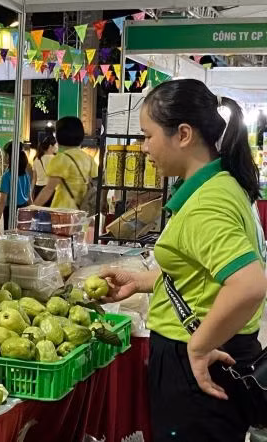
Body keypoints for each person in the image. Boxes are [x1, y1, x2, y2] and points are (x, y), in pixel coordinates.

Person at [101, 79, 267, 442]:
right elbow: (205, 271)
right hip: (221, 350)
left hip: (198, 362)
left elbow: (250, 284)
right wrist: (142, 281)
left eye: (148, 135)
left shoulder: (207, 203)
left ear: (184, 134)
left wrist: (199, 346)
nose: (144, 148)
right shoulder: (224, 184)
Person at [34, 117, 97, 209]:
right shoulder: (89, 159)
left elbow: (49, 189)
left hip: (63, 211)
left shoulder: (61, 159)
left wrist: (33, 207)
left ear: (60, 136)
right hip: (82, 211)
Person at [0, 142, 32, 230]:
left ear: (10, 156)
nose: (4, 157)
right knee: (22, 235)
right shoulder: (25, 174)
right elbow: (29, 197)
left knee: (11, 236)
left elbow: (2, 201)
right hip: (24, 208)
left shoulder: (7, 175)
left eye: (5, 154)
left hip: (11, 210)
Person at [33, 136, 57, 207]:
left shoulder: (36, 159)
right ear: (50, 146)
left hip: (38, 190)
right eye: (55, 145)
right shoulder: (55, 159)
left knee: (38, 215)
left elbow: (34, 178)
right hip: (50, 190)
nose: (56, 147)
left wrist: (31, 192)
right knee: (50, 215)